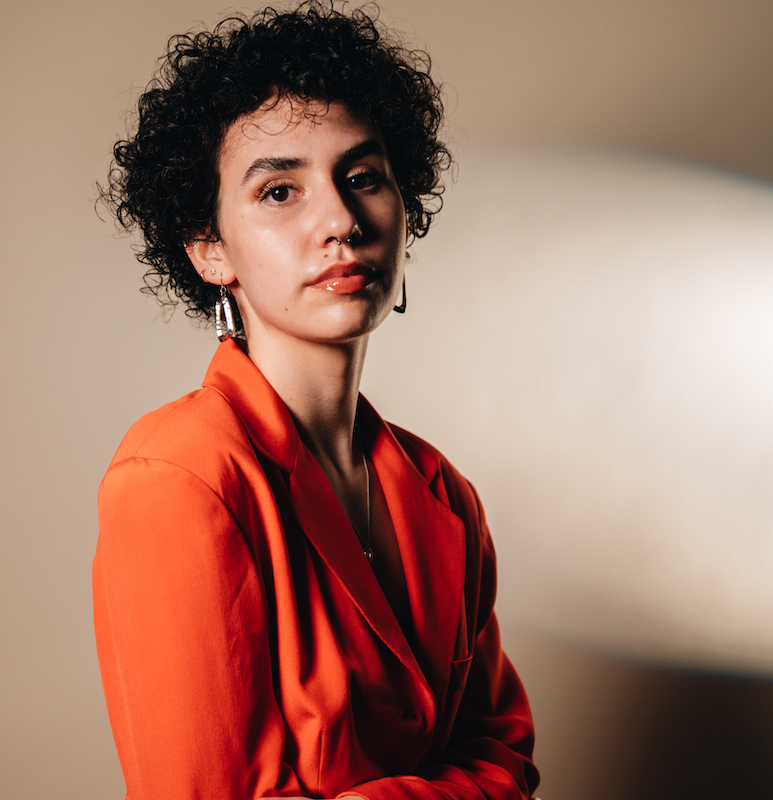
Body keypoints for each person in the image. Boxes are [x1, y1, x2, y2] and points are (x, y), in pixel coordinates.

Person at [94, 3, 540, 800]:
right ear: (208, 248)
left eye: (362, 177)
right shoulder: (177, 478)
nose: (339, 219)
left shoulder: (442, 491)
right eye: (279, 192)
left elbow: (506, 757)